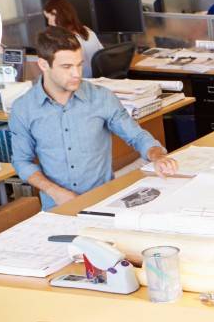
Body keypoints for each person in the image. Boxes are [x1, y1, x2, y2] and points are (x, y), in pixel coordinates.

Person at [9, 26, 178, 210]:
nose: (77, 73)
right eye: (67, 67)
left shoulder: (101, 98)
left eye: (79, 64)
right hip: (57, 208)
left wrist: (157, 156)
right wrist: (54, 192)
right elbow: (22, 161)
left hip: (103, 203)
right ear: (43, 65)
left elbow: (136, 136)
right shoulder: (23, 108)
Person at [43, 0, 103, 78]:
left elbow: (62, 69)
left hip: (80, 80)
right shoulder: (88, 31)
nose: (49, 22)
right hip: (96, 79)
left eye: (50, 17)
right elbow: (103, 56)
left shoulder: (65, 40)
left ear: (58, 14)